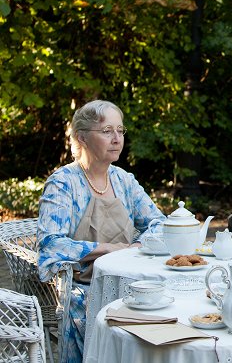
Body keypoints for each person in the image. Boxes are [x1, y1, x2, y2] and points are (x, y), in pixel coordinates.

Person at [37, 100, 165, 363]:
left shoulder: (123, 180)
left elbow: (159, 224)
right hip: (83, 286)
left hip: (128, 279)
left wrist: (140, 246)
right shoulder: (64, 183)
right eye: (107, 131)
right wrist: (111, 249)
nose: (117, 139)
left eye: (120, 130)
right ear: (81, 137)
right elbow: (51, 243)